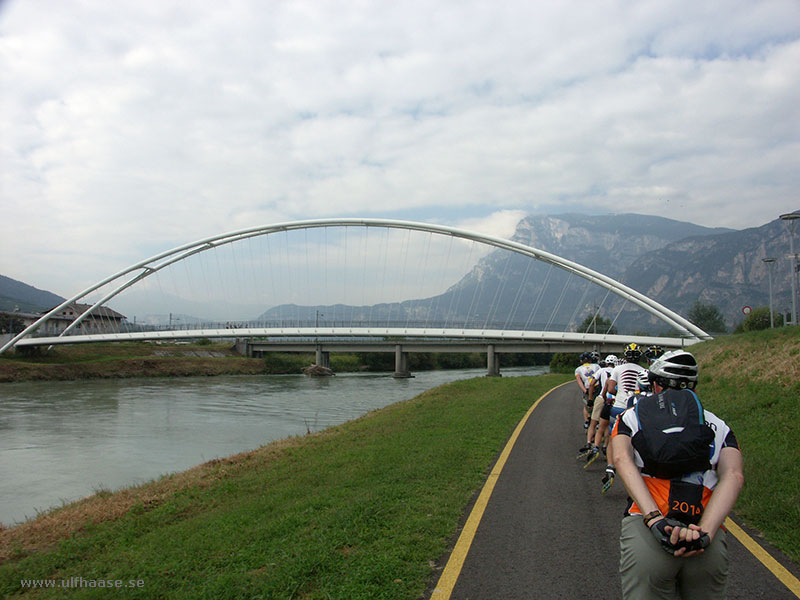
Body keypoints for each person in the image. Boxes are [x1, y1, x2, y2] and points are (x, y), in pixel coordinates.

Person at [610, 350, 744, 600]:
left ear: (656, 384)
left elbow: (620, 459)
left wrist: (654, 520)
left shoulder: (632, 417)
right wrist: (705, 533)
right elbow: (734, 476)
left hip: (649, 534)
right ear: (693, 385)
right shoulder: (719, 426)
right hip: (703, 540)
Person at [602, 343, 646, 492]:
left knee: (612, 437)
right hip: (635, 409)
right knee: (634, 439)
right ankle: (633, 471)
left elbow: (610, 389)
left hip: (618, 407)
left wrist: (619, 394)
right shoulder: (644, 370)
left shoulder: (617, 369)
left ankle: (610, 467)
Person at [574, 352, 599, 429]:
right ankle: (596, 421)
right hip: (596, 387)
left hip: (587, 388)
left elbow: (579, 381)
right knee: (597, 405)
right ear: (590, 360)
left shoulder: (578, 369)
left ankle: (587, 421)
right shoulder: (596, 366)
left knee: (586, 405)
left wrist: (584, 390)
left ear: (581, 361)